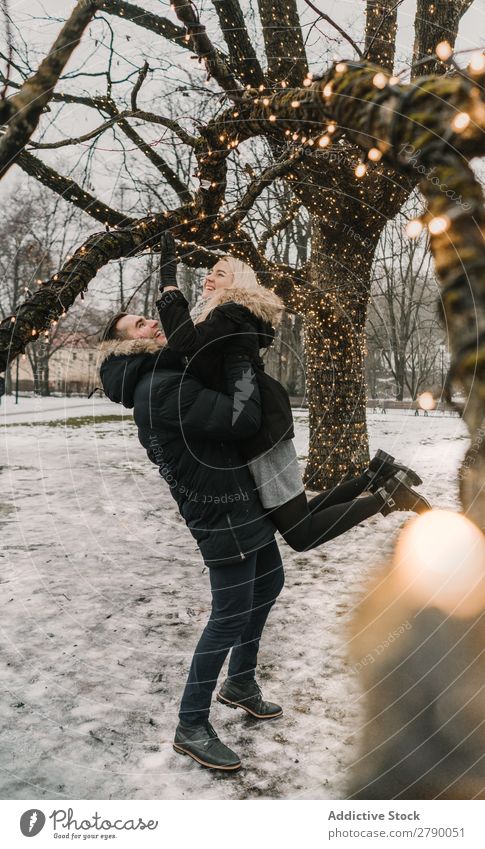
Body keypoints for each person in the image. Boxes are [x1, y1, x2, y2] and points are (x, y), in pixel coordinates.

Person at [155, 232, 431, 551]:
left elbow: (184, 341)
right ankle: (375, 474)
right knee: (300, 515)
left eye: (220, 273)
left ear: (238, 284)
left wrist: (168, 281)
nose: (209, 278)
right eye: (209, 272)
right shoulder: (226, 315)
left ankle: (390, 496)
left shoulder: (229, 312)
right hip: (259, 421)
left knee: (301, 533)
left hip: (260, 428)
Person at [99, 312, 285, 772]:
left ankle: (240, 684)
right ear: (125, 346)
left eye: (147, 316)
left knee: (269, 584)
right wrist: (239, 354)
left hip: (239, 502)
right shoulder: (159, 386)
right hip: (220, 511)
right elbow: (240, 418)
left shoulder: (169, 371)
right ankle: (191, 726)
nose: (150, 322)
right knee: (228, 616)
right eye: (139, 325)